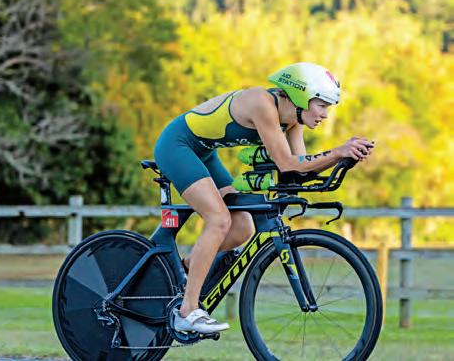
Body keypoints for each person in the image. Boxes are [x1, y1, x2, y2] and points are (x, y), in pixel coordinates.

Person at [154, 62, 374, 334]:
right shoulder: (262, 104)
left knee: (242, 227)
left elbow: (300, 169)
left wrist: (344, 158)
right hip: (177, 145)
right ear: (301, 96)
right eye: (322, 105)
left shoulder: (293, 121)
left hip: (204, 153)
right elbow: (287, 163)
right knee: (219, 220)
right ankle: (187, 311)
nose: (325, 114)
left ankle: (182, 272)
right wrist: (338, 151)